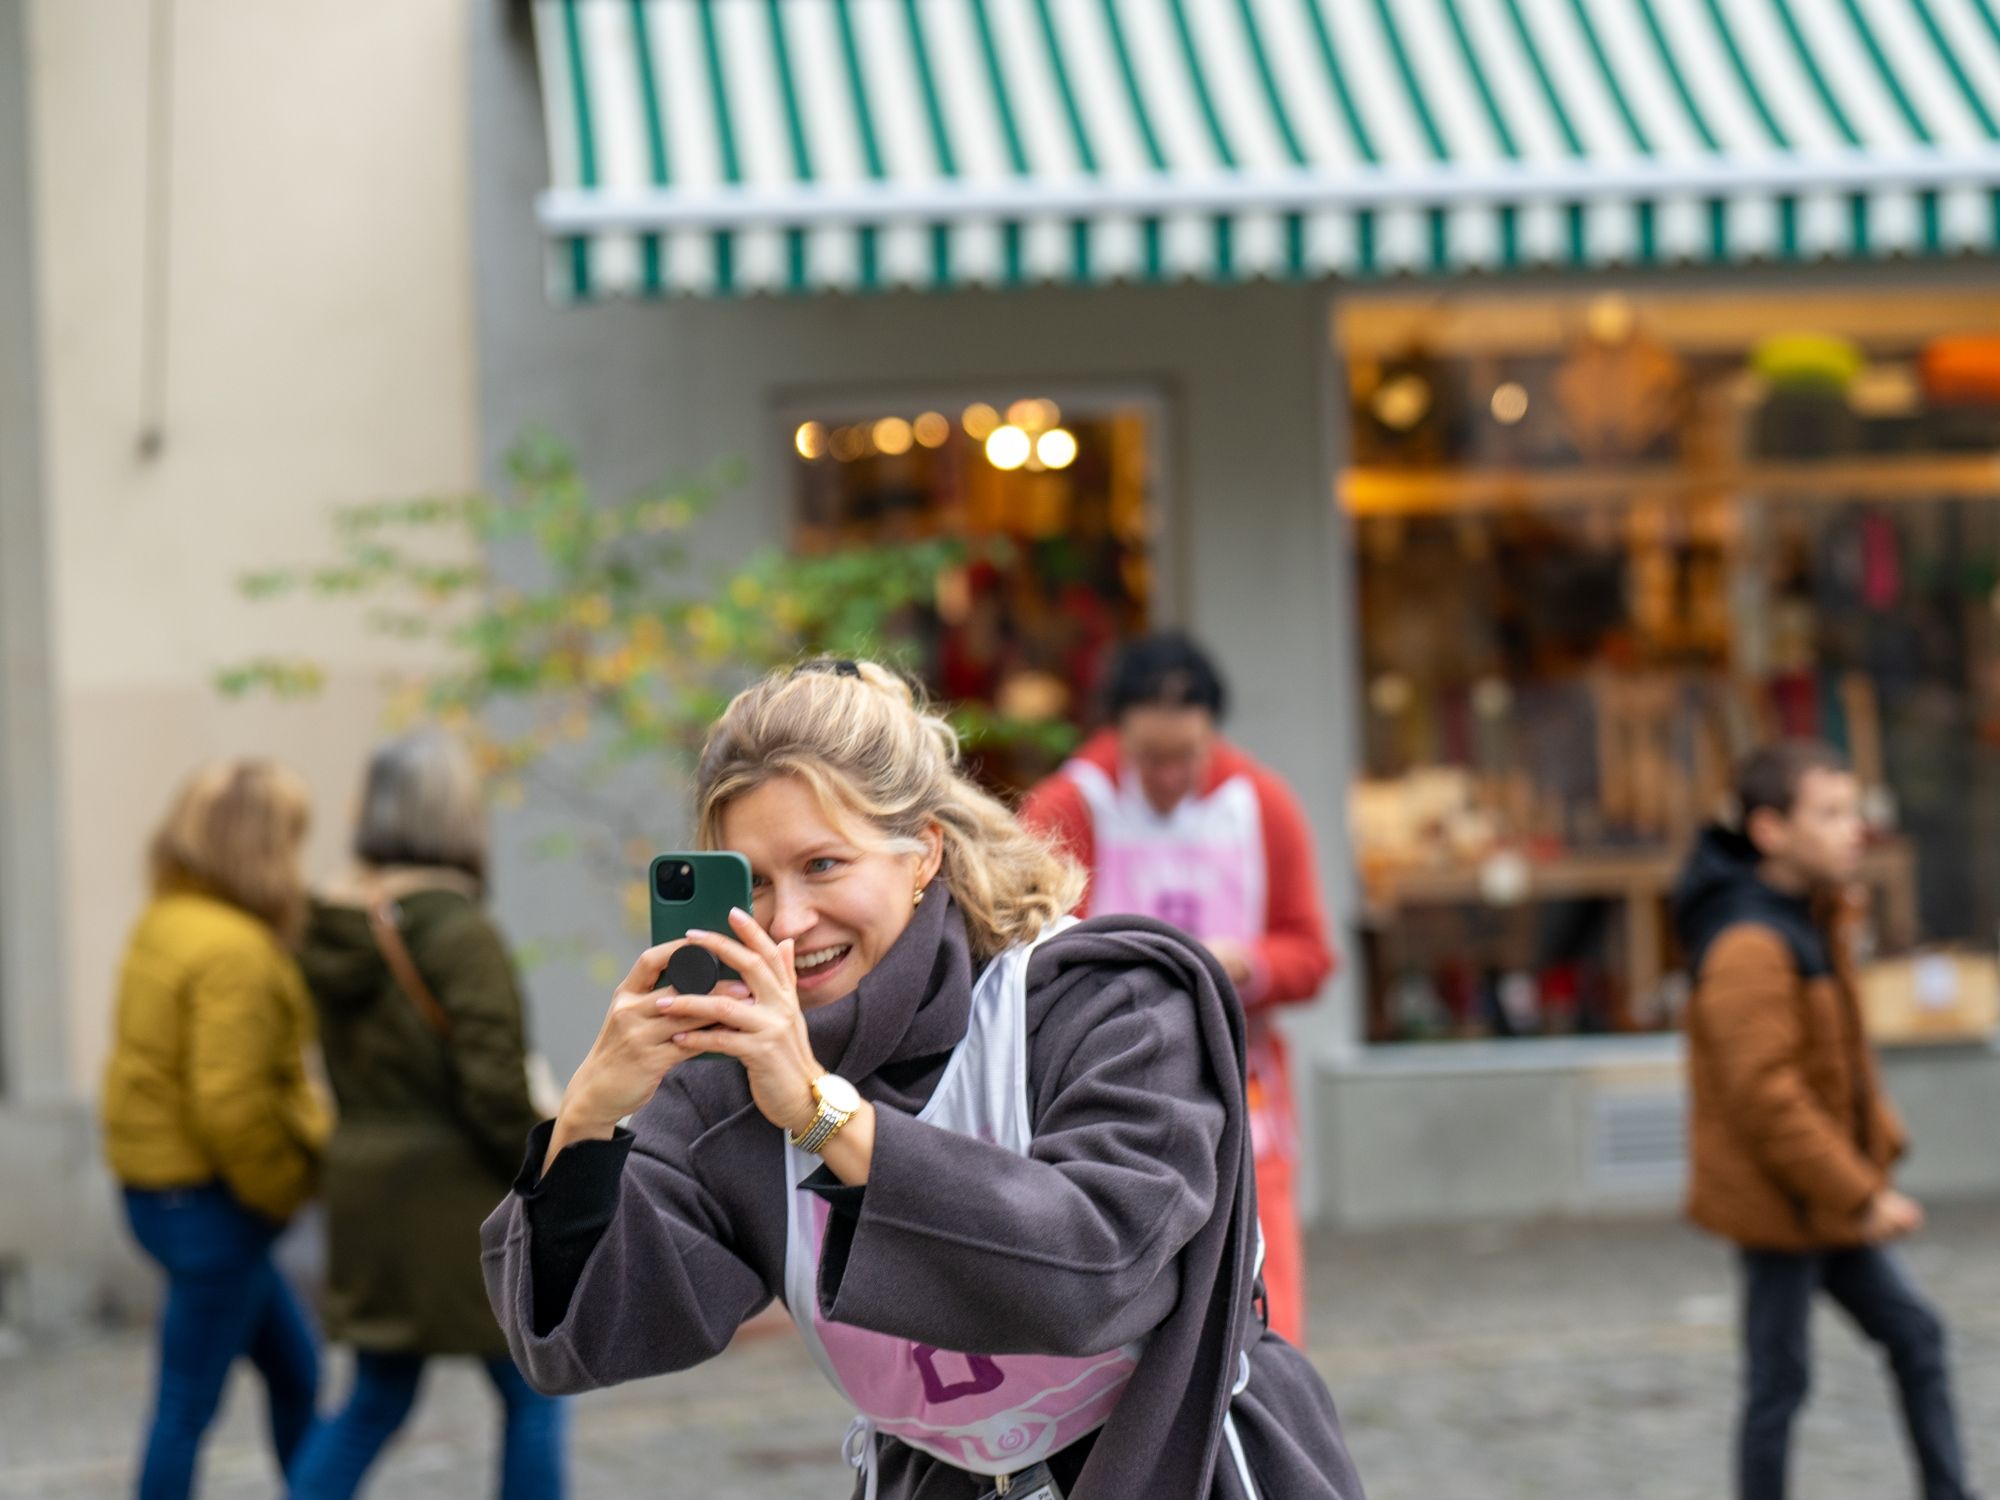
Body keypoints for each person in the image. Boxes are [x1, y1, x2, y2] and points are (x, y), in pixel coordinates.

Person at [482, 659, 1365, 1500]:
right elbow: (577, 1339)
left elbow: (1098, 1268)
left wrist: (825, 1116)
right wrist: (590, 1117)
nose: (789, 921)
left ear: (923, 855)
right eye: (752, 883)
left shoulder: (1100, 1002)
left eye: (824, 865)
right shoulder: (734, 1077)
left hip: (1180, 1459)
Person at [1676, 741, 1976, 1500]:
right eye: (1832, 813)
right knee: (1780, 1382)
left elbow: (1835, 1057)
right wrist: (1862, 1192)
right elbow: (1768, 1098)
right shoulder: (1749, 938)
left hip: (1824, 1199)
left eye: (1855, 810)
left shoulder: (1807, 913)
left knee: (1915, 1335)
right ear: (1771, 830)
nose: (1855, 830)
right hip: (1784, 1205)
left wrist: (1878, 1141)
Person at [1018, 632, 1334, 1346]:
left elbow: (1311, 954)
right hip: (1105, 1084)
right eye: (1151, 759)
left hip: (1242, 1079)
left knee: (1265, 1279)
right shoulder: (1068, 807)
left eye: (1187, 758)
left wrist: (1245, 963)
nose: (1168, 777)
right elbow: (1021, 948)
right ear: (1116, 733)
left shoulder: (1263, 806)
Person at [288, 731, 563, 1499]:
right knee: (534, 1389)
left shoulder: (327, 925)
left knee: (376, 1395)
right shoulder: (456, 930)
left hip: (368, 1191)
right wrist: (551, 1168)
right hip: (459, 1200)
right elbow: (494, 1088)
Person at [101, 760, 330, 1500]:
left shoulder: (166, 920)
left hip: (163, 1193)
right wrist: (281, 1191)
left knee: (297, 1374)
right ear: (259, 848)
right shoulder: (233, 949)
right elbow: (230, 1103)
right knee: (185, 1404)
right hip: (210, 1204)